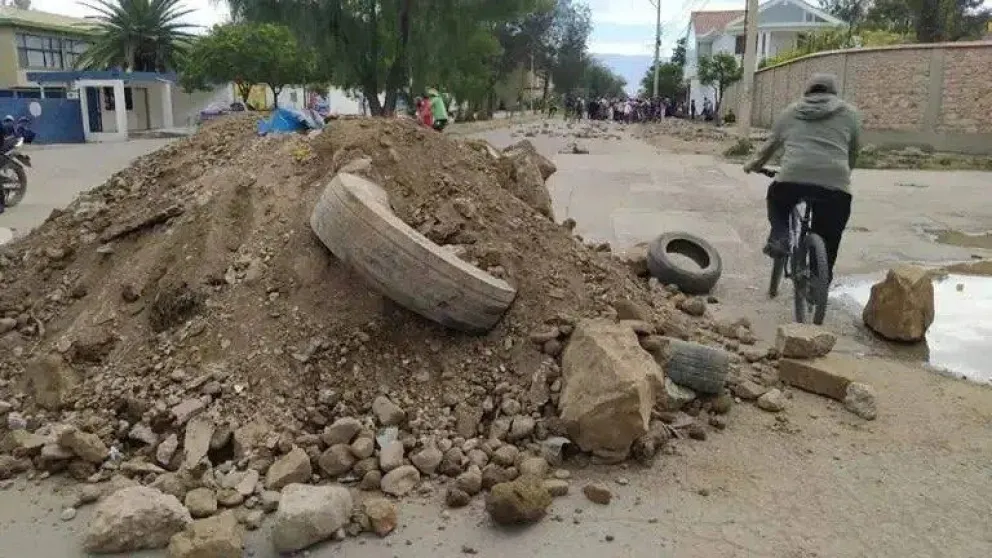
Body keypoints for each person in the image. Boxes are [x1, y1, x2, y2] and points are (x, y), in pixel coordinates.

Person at [743, 73, 862, 284]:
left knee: (776, 196)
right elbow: (853, 152)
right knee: (829, 236)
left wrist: (753, 165)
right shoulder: (850, 114)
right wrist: (844, 175)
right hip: (835, 183)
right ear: (833, 92)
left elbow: (770, 147)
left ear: (807, 91)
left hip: (792, 179)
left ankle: (780, 237)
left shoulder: (790, 112)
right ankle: (819, 279)